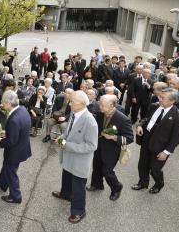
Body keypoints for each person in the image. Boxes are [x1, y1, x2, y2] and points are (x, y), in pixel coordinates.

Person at [52, 91, 98, 224]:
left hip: (79, 160)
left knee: (78, 187)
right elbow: (67, 131)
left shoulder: (90, 122)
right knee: (66, 176)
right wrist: (61, 138)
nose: (69, 103)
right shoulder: (73, 113)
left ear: (82, 104)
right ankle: (65, 194)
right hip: (68, 156)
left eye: (72, 102)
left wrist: (67, 145)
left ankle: (79, 211)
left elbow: (91, 146)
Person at [132, 88, 179, 194]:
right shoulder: (154, 106)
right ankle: (143, 182)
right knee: (142, 164)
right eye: (160, 96)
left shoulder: (178, 116)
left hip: (161, 146)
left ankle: (159, 184)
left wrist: (166, 152)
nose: (159, 99)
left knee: (155, 169)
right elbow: (146, 118)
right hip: (146, 140)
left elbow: (175, 138)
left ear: (172, 101)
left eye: (163, 98)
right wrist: (140, 125)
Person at [87, 95, 133, 201]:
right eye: (100, 103)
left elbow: (130, 138)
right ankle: (97, 184)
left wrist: (114, 137)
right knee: (96, 166)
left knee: (107, 171)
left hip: (112, 150)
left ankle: (116, 187)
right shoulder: (100, 113)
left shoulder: (123, 119)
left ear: (112, 105)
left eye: (102, 105)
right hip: (98, 146)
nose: (99, 106)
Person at [0, 90, 32, 204]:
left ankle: (16, 196)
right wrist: (7, 132)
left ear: (9, 103)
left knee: (11, 172)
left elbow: (11, 141)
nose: (2, 104)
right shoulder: (22, 109)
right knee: (6, 166)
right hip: (22, 147)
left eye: (3, 102)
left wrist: (0, 140)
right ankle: (2, 183)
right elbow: (19, 130)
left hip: (15, 151)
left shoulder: (14, 119)